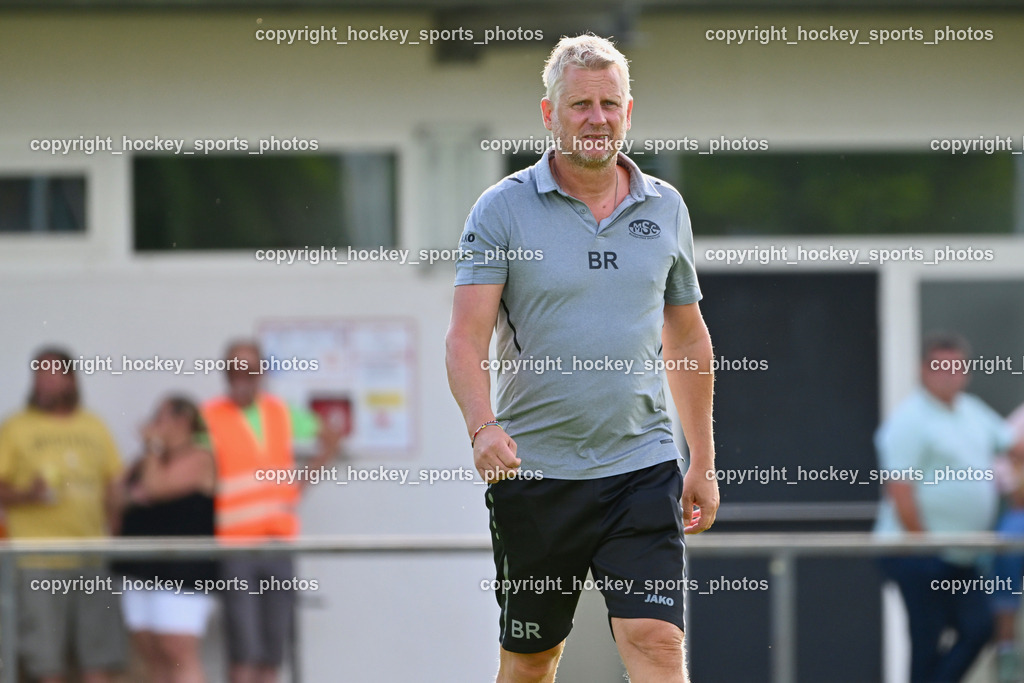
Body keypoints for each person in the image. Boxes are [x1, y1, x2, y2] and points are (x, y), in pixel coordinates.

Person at [445, 34, 718, 683]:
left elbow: (686, 338)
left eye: (609, 104)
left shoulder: (667, 207)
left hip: (641, 468)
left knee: (656, 639)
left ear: (629, 111)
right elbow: (465, 336)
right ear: (549, 114)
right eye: (580, 105)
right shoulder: (501, 209)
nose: (597, 118)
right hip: (536, 480)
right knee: (532, 663)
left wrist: (702, 459)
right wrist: (482, 426)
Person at [875, 332, 1023, 683]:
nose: (949, 375)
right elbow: (900, 490)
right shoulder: (910, 419)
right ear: (923, 371)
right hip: (918, 553)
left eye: (956, 367)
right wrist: (924, 545)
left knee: (979, 627)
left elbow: (1013, 446)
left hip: (963, 555)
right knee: (927, 641)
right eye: (940, 367)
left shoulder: (972, 411)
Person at [201, 339, 341, 683]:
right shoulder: (209, 416)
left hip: (280, 542)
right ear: (226, 372)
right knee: (244, 650)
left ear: (260, 372)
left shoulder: (279, 411)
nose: (242, 375)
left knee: (272, 650)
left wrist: (300, 485)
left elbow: (330, 438)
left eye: (249, 367)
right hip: (236, 546)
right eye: (235, 367)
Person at [0, 347, 127, 682]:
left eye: (51, 374)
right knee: (46, 661)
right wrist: (28, 494)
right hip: (36, 561)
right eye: (38, 375)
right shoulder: (16, 427)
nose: (43, 383)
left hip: (91, 557)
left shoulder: (94, 425)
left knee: (98, 657)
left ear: (70, 379)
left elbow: (113, 482)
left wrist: (115, 520)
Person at [113, 395, 217, 683]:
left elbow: (157, 488)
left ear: (183, 421)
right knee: (150, 650)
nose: (153, 424)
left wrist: (151, 447)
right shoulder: (148, 459)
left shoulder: (199, 457)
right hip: (139, 567)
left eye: (160, 418)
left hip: (182, 570)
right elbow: (116, 498)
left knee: (177, 649)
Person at [989, 403, 1024, 683]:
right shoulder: (1019, 420)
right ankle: (1006, 651)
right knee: (1008, 544)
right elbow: (1004, 471)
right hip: (1019, 517)